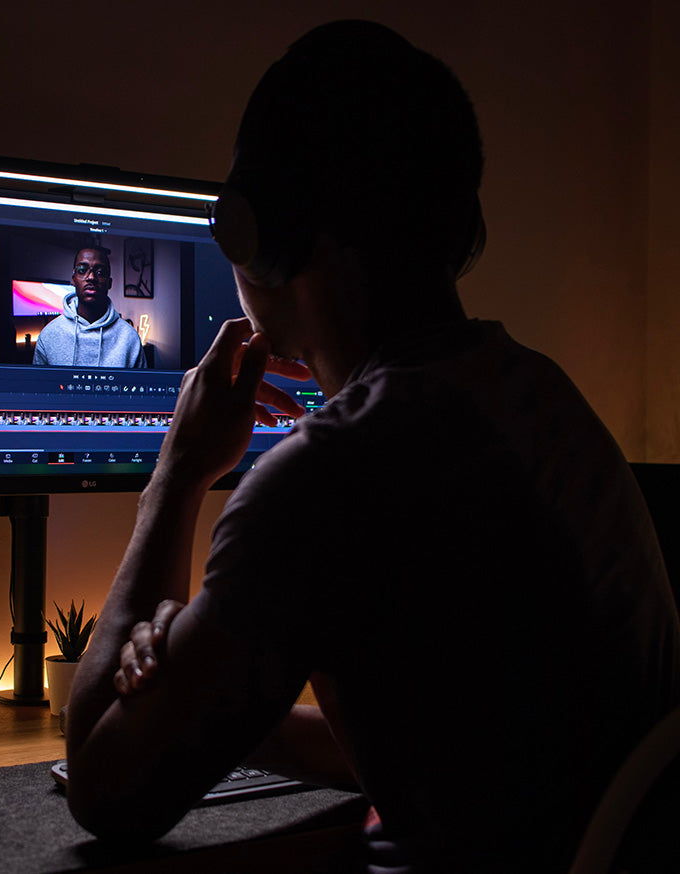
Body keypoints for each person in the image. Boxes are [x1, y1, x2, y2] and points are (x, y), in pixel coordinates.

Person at [64, 20, 680, 873]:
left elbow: (102, 787)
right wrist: (215, 696)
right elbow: (467, 744)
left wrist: (177, 474)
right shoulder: (544, 400)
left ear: (263, 232)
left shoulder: (327, 477)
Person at [32, 246, 146, 368]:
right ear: (74, 280)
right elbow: (39, 385)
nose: (91, 277)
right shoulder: (49, 335)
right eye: (82, 270)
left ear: (109, 283)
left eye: (100, 272)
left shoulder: (130, 338)